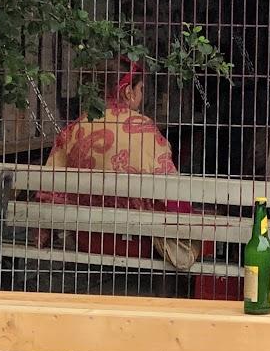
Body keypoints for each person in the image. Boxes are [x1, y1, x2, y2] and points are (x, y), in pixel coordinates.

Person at [37, 57, 198, 270]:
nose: (141, 96)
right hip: (138, 242)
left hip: (89, 240)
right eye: (140, 89)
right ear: (127, 91)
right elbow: (172, 195)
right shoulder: (146, 130)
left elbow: (49, 190)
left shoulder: (75, 129)